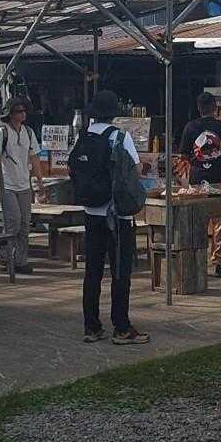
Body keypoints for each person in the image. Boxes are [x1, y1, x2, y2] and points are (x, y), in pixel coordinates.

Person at [74, 89, 149, 345]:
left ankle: (91, 326)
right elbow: (134, 169)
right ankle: (121, 327)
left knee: (92, 271)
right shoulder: (119, 137)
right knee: (120, 272)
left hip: (91, 212)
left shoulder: (84, 136)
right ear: (114, 114)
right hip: (116, 215)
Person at [178, 92, 221, 277]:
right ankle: (220, 263)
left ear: (199, 109)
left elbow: (183, 156)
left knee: (197, 221)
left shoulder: (190, 127)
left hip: (197, 182)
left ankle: (195, 264)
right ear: (215, 108)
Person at [0, 101, 41, 275]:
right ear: (11, 114)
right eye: (19, 111)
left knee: (25, 224)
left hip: (24, 184)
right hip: (7, 184)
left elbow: (34, 157)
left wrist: (40, 180)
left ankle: (21, 260)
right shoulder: (2, 132)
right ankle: (3, 257)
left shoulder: (28, 132)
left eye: (24, 111)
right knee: (13, 221)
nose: (23, 114)